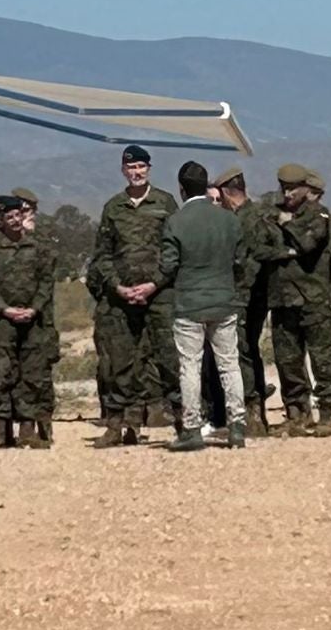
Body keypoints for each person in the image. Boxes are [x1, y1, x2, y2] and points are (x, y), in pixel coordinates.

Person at [88, 145, 178, 446]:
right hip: (123, 298)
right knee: (121, 362)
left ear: (149, 169)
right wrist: (118, 286)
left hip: (159, 295)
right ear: (123, 170)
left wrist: (155, 283)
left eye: (141, 166)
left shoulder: (165, 202)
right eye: (131, 167)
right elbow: (103, 255)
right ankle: (118, 425)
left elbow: (174, 250)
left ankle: (183, 423)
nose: (136, 172)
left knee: (169, 359)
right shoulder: (113, 207)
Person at [267, 163, 331, 435]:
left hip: (312, 298)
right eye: (284, 188)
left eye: (293, 189)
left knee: (324, 358)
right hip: (282, 297)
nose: (288, 194)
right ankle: (297, 412)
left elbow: (307, 244)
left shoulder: (318, 215)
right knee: (288, 359)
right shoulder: (273, 213)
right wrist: (283, 246)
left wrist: (286, 227)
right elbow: (263, 246)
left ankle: (329, 413)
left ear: (305, 189)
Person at [160, 160, 248, 450]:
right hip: (224, 300)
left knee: (190, 366)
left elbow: (168, 265)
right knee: (229, 364)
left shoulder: (176, 221)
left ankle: (192, 429)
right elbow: (240, 260)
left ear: (182, 189)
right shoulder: (229, 220)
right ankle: (237, 426)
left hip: (189, 303)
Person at [0, 193, 57, 448]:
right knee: (1, 373)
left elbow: (46, 281)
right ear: (0, 219)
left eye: (18, 215)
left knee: (31, 374)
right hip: (3, 322)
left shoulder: (37, 245)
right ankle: (1, 431)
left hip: (32, 321)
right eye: (9, 217)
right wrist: (4, 309)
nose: (15, 220)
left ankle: (27, 431)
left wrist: (34, 308)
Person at [214, 166, 277, 433]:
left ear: (227, 194)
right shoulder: (259, 215)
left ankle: (252, 412)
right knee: (248, 351)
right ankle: (254, 412)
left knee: (243, 353)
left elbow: (251, 259)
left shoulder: (243, 220)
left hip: (243, 296)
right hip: (252, 295)